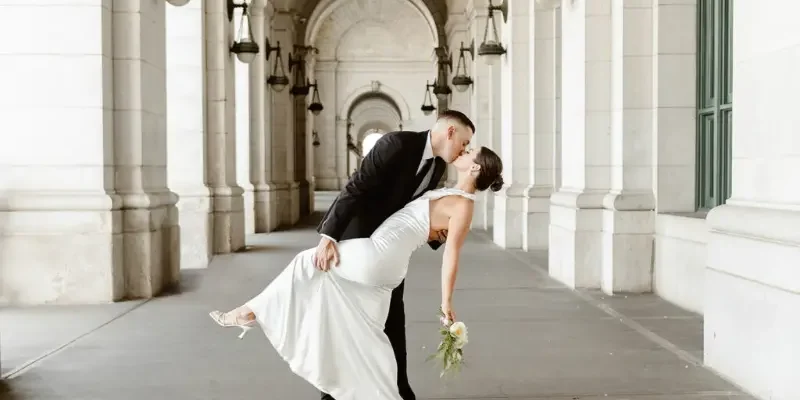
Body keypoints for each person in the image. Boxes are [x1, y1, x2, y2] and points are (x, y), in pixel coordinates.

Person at [209, 146, 504, 400]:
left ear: (475, 167)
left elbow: (452, 256)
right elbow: (427, 225)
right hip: (385, 263)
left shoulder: (464, 206)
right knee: (369, 342)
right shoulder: (453, 192)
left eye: (469, 151)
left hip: (378, 255)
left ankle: (249, 312)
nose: (463, 151)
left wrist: (446, 301)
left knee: (307, 262)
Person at [316, 110, 475, 400]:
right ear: (450, 132)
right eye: (464, 142)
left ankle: (400, 390)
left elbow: (412, 211)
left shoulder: (437, 166)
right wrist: (329, 236)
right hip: (358, 243)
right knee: (349, 321)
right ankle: (332, 394)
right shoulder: (396, 145)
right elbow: (357, 185)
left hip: (390, 253)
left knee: (392, 321)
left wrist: (442, 232)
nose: (464, 150)